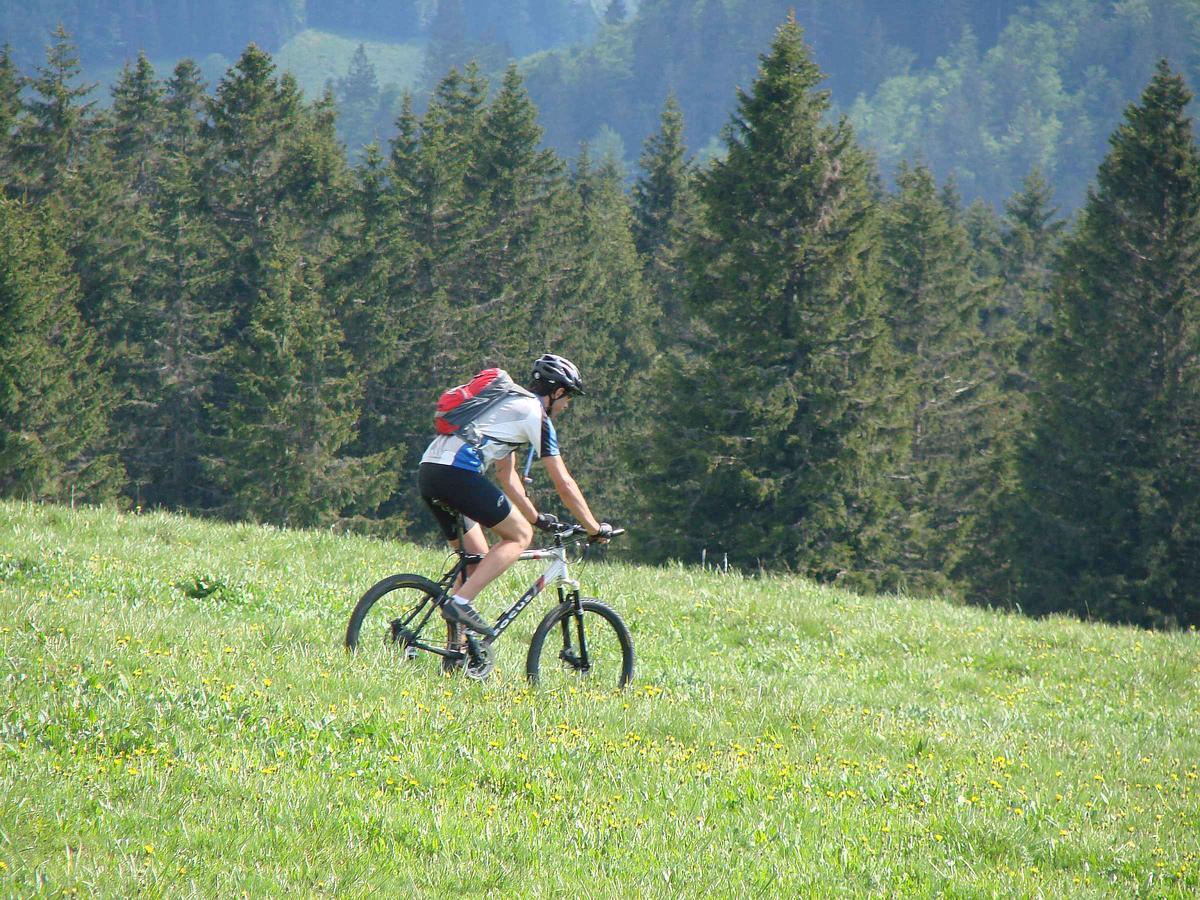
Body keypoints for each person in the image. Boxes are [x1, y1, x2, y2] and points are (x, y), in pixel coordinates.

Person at [418, 353, 612, 641]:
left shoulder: (506, 404)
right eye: (567, 397)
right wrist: (594, 527)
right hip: (457, 473)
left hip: (430, 471)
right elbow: (564, 483)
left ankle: (455, 652)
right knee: (519, 537)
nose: (567, 404)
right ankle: (460, 603)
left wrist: (536, 518)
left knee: (476, 560)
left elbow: (506, 476)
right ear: (556, 392)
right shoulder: (537, 416)